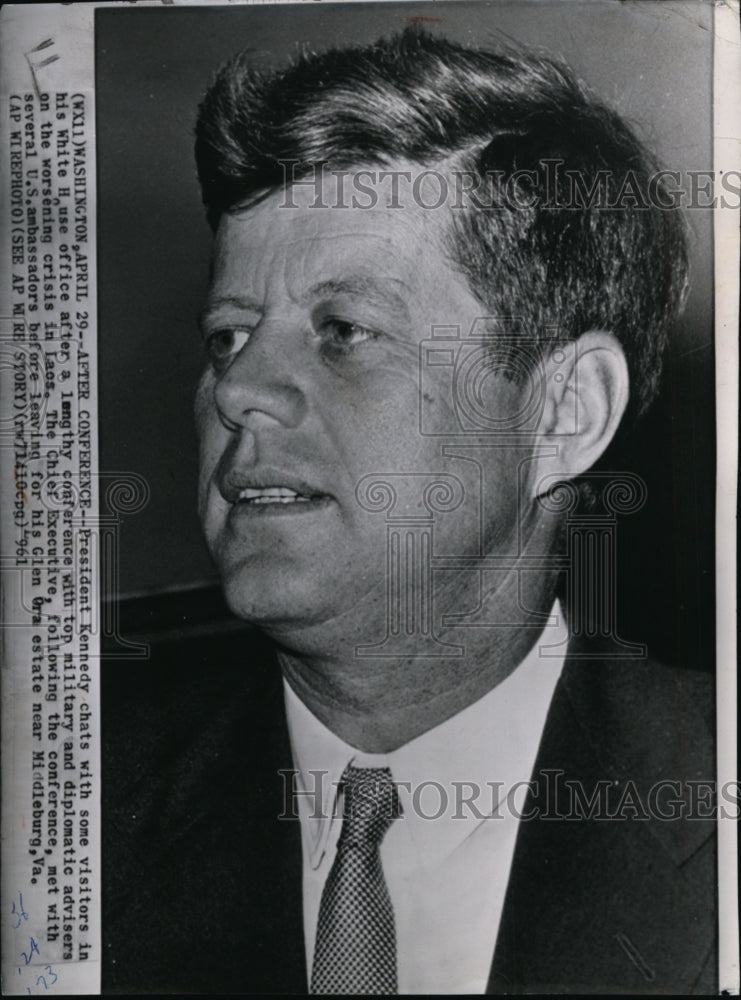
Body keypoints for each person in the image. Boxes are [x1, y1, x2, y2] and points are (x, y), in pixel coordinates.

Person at [102, 28, 716, 994]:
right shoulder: (68, 791)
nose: (239, 391)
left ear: (565, 410)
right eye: (227, 336)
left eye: (343, 332)